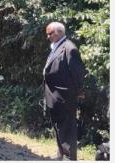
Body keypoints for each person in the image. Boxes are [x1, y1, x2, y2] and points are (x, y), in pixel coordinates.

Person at [44, 22, 86, 160]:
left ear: (59, 32)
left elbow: (78, 73)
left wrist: (77, 92)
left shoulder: (69, 48)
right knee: (58, 127)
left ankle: (69, 158)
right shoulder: (56, 46)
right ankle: (61, 153)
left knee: (67, 130)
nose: (48, 36)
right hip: (54, 96)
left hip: (65, 96)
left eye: (50, 33)